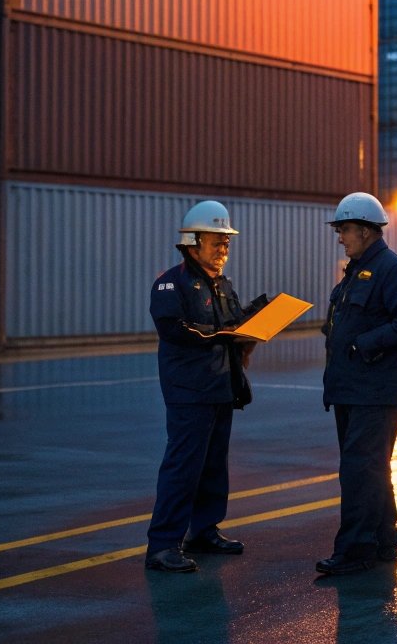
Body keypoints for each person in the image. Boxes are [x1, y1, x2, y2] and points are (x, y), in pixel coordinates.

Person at [317, 192, 397, 576]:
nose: (340, 237)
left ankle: (354, 550)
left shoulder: (390, 269)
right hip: (350, 389)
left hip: (373, 392)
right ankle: (384, 538)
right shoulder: (356, 270)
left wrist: (365, 343)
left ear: (365, 231)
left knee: (358, 470)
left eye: (344, 229)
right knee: (371, 468)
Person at [144, 200, 255, 573]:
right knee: (183, 467)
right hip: (189, 392)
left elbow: (234, 323)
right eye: (216, 241)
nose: (224, 248)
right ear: (192, 242)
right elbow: (173, 329)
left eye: (226, 242)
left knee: (212, 465)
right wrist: (221, 335)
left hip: (220, 387)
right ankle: (162, 546)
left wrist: (255, 321)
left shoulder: (222, 285)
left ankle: (203, 531)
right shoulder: (171, 283)